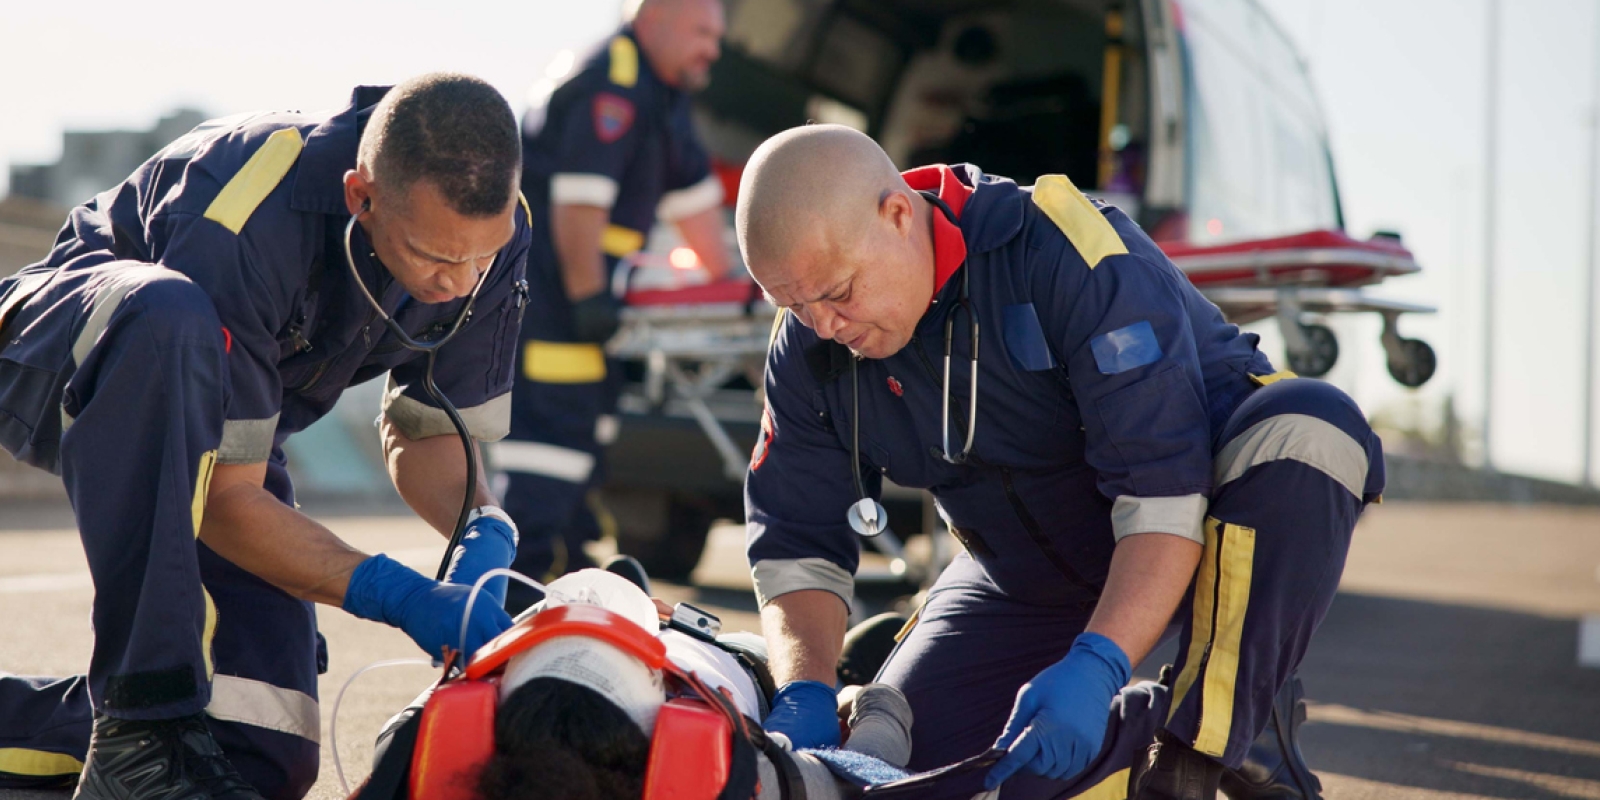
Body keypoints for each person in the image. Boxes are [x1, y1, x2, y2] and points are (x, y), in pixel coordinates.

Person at [736, 125, 1384, 800]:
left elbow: (1162, 491)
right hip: (1020, 578)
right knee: (908, 769)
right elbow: (796, 538)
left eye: (837, 293)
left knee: (1311, 429)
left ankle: (1203, 750)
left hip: (1191, 530)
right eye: (794, 304)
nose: (823, 326)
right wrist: (806, 686)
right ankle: (1182, 728)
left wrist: (1099, 662)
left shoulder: (1068, 254)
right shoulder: (808, 342)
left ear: (898, 215)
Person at [0, 74, 533, 800]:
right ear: (360, 195)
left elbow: (431, 434)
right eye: (435, 258)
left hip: (221, 434)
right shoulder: (248, 215)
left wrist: (481, 527)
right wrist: (395, 593)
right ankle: (134, 727)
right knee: (168, 315)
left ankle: (118, 742)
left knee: (260, 745)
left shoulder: (488, 230)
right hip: (76, 352)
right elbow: (221, 500)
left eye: (483, 257)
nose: (463, 282)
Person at [499, 0, 734, 606]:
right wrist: (590, 299)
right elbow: (579, 205)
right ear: (655, 16)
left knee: (586, 438)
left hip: (588, 308)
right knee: (548, 448)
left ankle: (572, 577)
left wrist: (743, 285)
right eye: (702, 32)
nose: (714, 48)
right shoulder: (611, 86)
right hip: (552, 302)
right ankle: (510, 597)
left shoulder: (664, 94)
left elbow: (699, 210)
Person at [372, 570, 916, 800]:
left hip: (686, 649)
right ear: (656, 685)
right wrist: (870, 702)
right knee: (870, 650)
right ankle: (852, 666)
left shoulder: (424, 752)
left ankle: (623, 582)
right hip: (734, 660)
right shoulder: (726, 770)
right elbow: (870, 774)